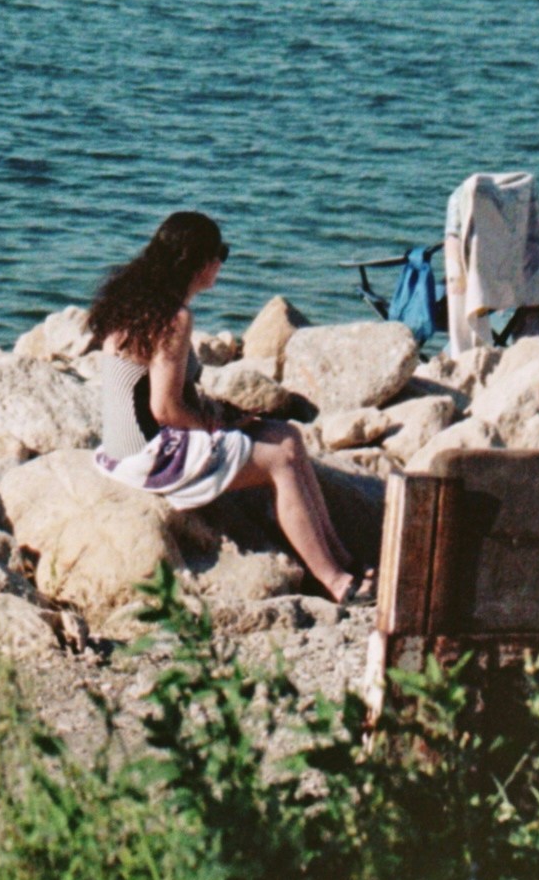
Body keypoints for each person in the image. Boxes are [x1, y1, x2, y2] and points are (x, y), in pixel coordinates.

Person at [85, 207, 363, 606]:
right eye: (221, 254)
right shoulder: (173, 318)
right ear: (199, 264)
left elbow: (155, 394)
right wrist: (213, 426)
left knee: (288, 435)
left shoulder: (133, 299)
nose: (222, 263)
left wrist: (220, 413)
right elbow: (164, 409)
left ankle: (340, 557)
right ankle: (336, 582)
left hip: (122, 443)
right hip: (146, 454)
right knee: (281, 460)